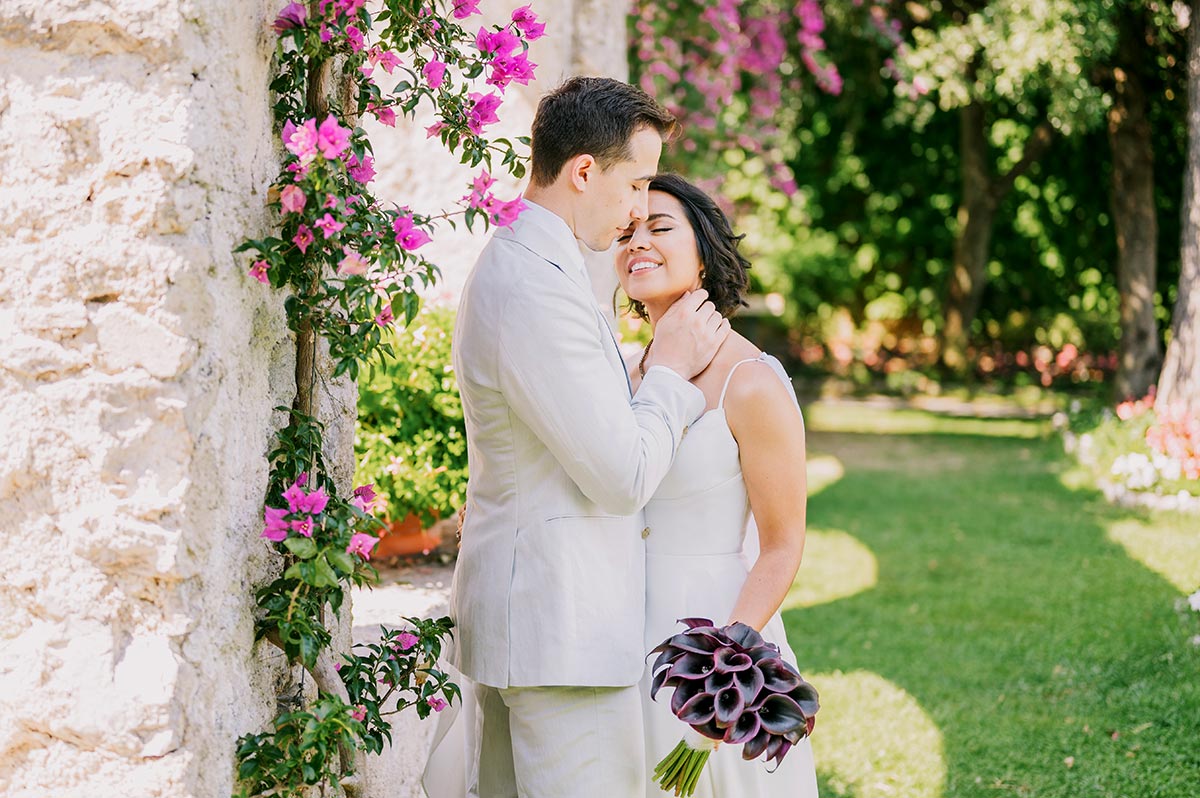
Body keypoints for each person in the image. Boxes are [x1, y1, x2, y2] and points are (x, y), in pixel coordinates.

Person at [432, 78, 731, 798]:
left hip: (540, 629)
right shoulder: (534, 283)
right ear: (585, 172)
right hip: (560, 633)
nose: (637, 214)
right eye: (637, 186)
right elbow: (621, 475)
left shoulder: (544, 267)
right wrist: (670, 373)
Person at [614, 173, 819, 797]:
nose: (637, 242)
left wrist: (725, 666)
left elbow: (783, 544)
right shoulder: (623, 371)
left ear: (704, 253)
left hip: (714, 633)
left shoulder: (751, 381)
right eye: (625, 231)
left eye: (659, 227)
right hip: (620, 630)